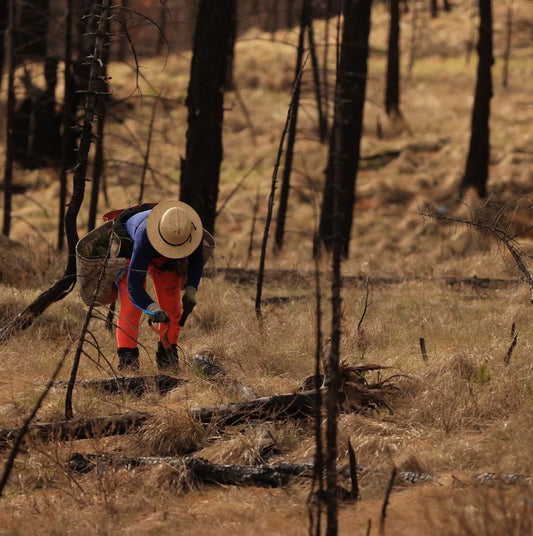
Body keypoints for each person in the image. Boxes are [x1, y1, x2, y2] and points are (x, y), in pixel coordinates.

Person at [113, 200, 204, 372]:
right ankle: (128, 364)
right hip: (129, 247)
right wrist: (151, 308)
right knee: (132, 309)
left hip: (166, 260)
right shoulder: (144, 236)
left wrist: (192, 289)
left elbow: (197, 260)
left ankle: (167, 361)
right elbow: (134, 285)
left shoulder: (191, 230)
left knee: (173, 309)